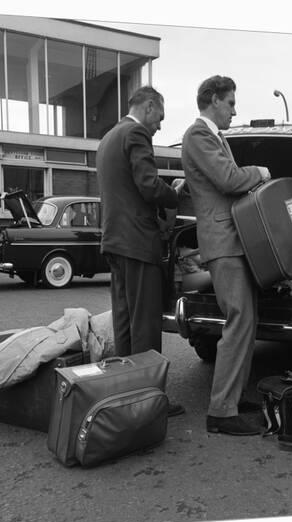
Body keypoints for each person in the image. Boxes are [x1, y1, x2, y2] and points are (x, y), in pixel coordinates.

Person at [181, 75, 271, 435]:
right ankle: (221, 411)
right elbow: (229, 180)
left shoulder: (212, 137)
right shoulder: (198, 135)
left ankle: (232, 398)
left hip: (233, 240)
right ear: (214, 100)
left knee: (247, 320)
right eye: (231, 103)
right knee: (238, 319)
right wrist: (261, 172)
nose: (235, 110)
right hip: (223, 242)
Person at [97, 85, 184, 417]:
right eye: (160, 117)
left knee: (124, 322)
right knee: (145, 324)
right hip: (137, 242)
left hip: (114, 242)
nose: (160, 125)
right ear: (149, 107)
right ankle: (150, 401)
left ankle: (127, 395)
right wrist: (175, 193)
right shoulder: (135, 133)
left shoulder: (108, 138)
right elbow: (148, 185)